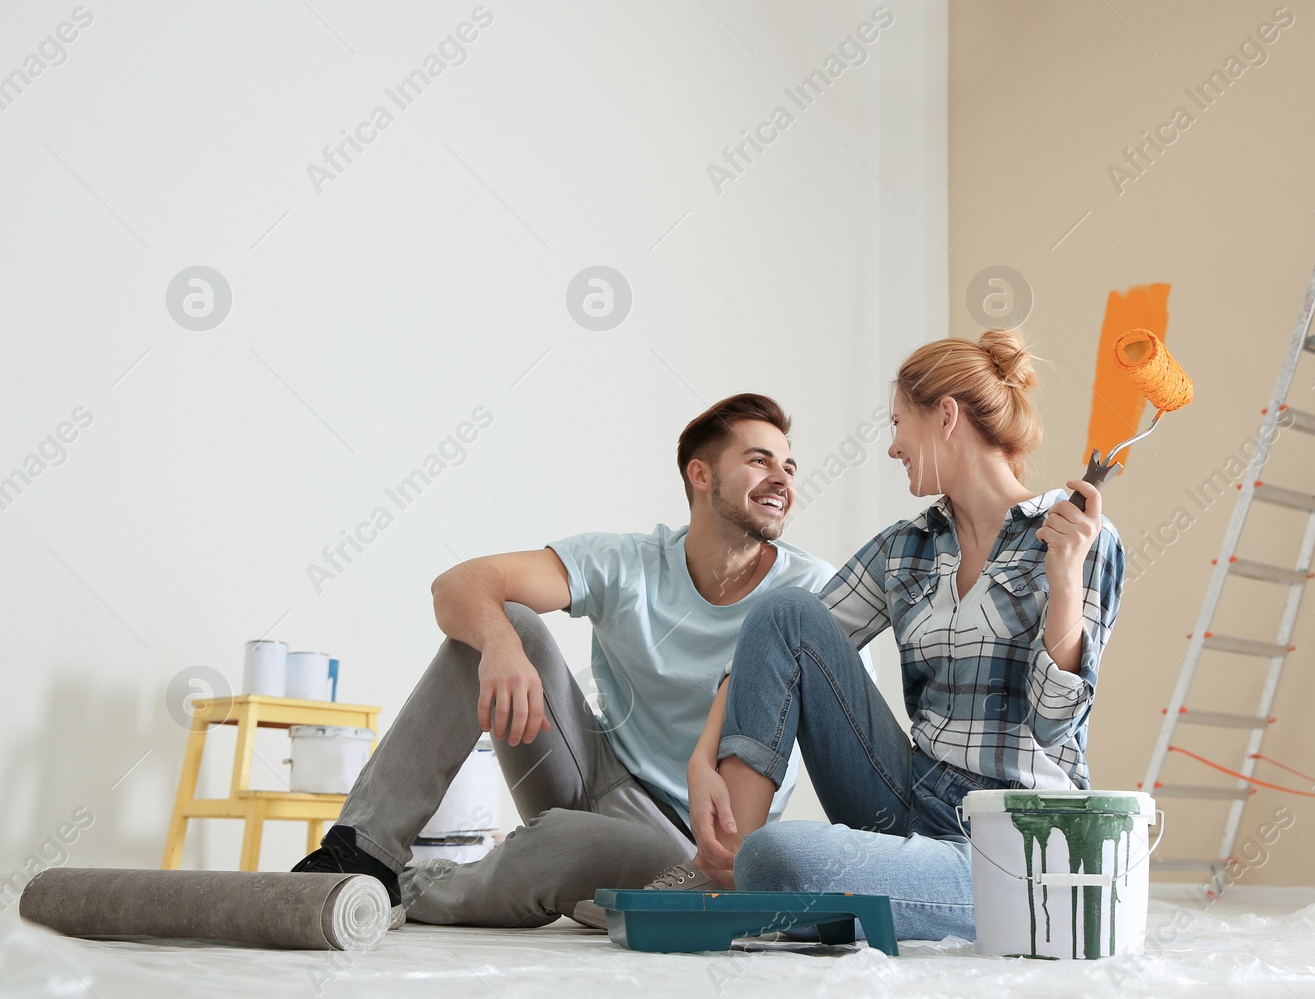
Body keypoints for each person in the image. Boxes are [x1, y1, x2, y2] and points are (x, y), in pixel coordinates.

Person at [291, 393, 844, 929]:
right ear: (701, 476)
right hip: (591, 773)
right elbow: (459, 584)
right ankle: (361, 853)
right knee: (502, 620)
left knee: (561, 845)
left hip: (685, 839)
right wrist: (502, 647)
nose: (783, 479)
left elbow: (833, 727)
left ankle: (416, 887)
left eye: (790, 467)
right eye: (759, 460)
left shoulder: (812, 591)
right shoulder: (630, 561)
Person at [678, 329, 1125, 940]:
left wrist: (1065, 579)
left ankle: (753, 876)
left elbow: (1055, 725)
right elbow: (779, 646)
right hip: (911, 801)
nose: (892, 447)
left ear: (946, 417)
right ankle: (724, 869)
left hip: (1011, 850)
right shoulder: (905, 547)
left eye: (898, 424)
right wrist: (702, 759)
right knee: (785, 613)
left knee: (781, 861)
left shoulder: (1080, 540)